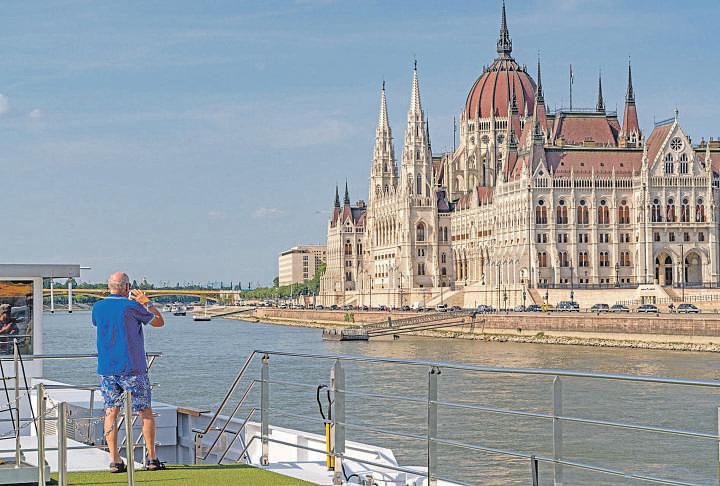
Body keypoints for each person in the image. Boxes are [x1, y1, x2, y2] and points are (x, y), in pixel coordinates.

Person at [92, 272, 165, 473]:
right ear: (127, 287)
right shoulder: (132, 306)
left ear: (109, 286)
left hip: (107, 368)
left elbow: (99, 324)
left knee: (111, 411)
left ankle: (115, 460)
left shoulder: (97, 307)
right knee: (145, 412)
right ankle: (152, 458)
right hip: (133, 367)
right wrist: (147, 303)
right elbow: (159, 322)